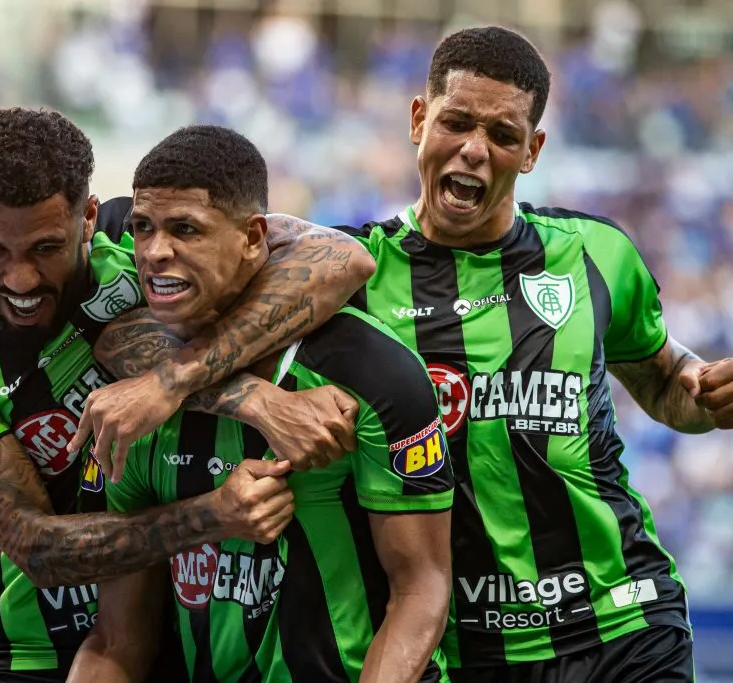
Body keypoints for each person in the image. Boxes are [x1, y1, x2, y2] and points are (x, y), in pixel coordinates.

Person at [0, 107, 376, 683]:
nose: (19, 280)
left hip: (183, 634)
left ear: (88, 216)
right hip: (33, 651)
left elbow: (344, 258)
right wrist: (213, 516)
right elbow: (36, 548)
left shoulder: (139, 236)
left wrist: (174, 383)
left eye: (45, 248)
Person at [336, 26, 733, 683]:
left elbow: (666, 376)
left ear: (532, 150)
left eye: (503, 135)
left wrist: (704, 391)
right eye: (457, 122)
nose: (476, 150)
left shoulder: (595, 253)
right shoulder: (355, 277)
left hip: (625, 623)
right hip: (474, 648)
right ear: (419, 119)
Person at [68, 125, 454, 683]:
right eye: (142, 229)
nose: (154, 252)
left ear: (254, 238)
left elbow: (420, 591)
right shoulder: (133, 398)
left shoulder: (371, 373)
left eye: (185, 230)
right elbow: (116, 641)